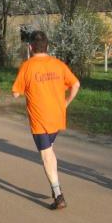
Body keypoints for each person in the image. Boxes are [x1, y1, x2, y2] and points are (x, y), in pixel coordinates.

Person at [11, 30, 80, 210]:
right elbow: (76, 84)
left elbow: (16, 93)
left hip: (39, 118)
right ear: (47, 46)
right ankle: (55, 186)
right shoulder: (58, 64)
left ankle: (58, 195)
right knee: (49, 151)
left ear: (30, 47)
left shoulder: (27, 66)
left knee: (46, 154)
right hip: (57, 116)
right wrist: (66, 103)